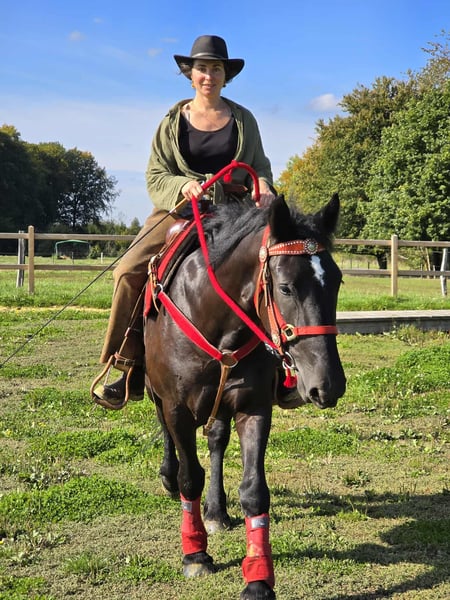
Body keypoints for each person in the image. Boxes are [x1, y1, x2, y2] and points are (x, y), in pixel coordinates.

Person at [92, 35, 276, 407]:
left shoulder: (244, 120)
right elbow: (156, 175)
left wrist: (265, 187)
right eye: (202, 68)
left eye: (216, 69)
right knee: (126, 271)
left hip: (236, 211)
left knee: (285, 261)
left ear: (226, 75)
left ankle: (283, 369)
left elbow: (259, 167)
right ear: (190, 74)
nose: (209, 76)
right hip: (180, 210)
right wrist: (182, 186)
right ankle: (128, 367)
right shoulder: (171, 122)